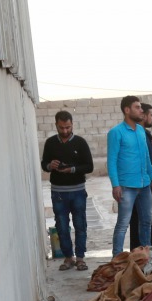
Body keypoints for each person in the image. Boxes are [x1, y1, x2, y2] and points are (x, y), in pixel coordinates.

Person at [41, 110, 93, 272]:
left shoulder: (80, 142)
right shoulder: (50, 143)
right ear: (56, 125)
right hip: (58, 193)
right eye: (62, 128)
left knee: (80, 225)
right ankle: (68, 257)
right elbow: (44, 164)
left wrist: (72, 169)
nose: (65, 131)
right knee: (62, 226)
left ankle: (80, 258)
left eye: (68, 127)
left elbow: (89, 166)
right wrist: (51, 166)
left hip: (77, 191)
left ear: (72, 125)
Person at [107, 95, 152, 257]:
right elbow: (112, 161)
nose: (141, 110)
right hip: (126, 186)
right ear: (127, 110)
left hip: (144, 185)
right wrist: (115, 185)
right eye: (137, 107)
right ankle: (117, 258)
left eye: (141, 107)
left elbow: (147, 158)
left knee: (147, 222)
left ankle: (145, 256)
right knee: (123, 223)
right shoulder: (116, 132)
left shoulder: (142, 131)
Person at [128, 103, 152, 248]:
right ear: (143, 116)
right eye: (151, 115)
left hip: (149, 181)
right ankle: (141, 250)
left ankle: (146, 247)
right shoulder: (138, 134)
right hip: (142, 184)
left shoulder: (144, 134)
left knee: (150, 219)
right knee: (142, 219)